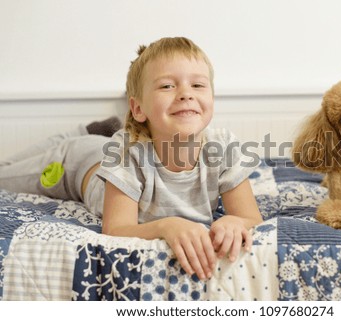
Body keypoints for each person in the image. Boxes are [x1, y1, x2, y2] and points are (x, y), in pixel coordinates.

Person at [0, 37, 263, 281]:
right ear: (138, 108)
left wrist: (233, 221)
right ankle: (84, 135)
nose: (186, 93)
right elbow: (116, 229)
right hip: (78, 163)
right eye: (167, 86)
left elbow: (251, 219)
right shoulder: (127, 151)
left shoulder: (223, 147)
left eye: (197, 85)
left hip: (102, 149)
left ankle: (95, 131)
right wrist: (168, 226)